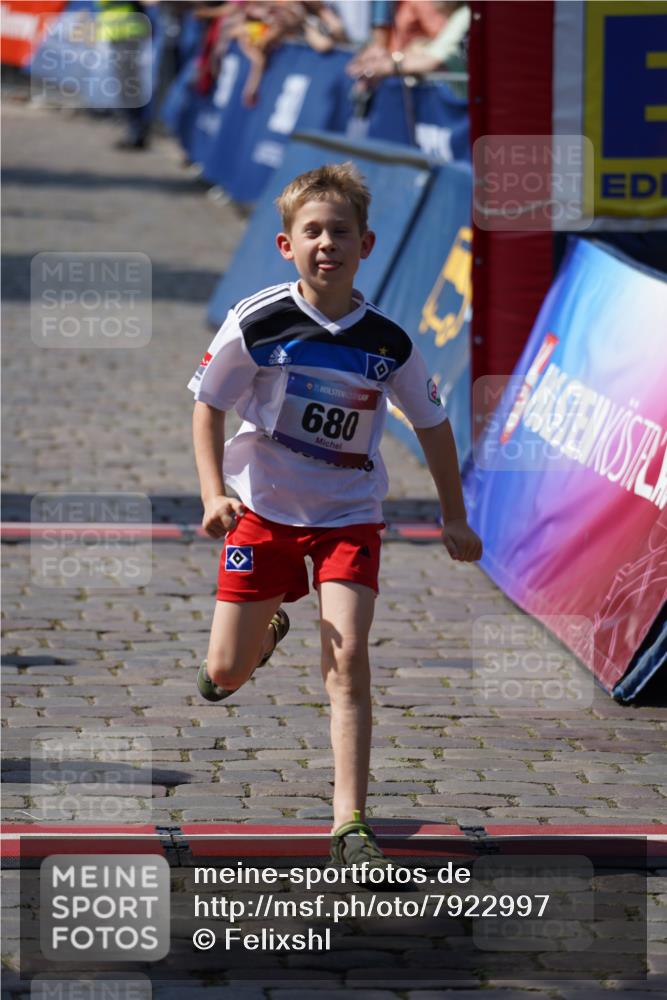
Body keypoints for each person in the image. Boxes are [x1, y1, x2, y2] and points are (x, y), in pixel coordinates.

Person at [188, 162, 482, 873]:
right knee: (223, 674)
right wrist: (211, 494)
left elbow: (434, 425)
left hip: (350, 515)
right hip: (262, 512)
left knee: (348, 662)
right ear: (286, 244)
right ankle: (261, 633)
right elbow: (208, 404)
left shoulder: (388, 343)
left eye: (340, 232)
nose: (327, 243)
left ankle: (349, 819)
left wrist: (453, 515)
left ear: (367, 244)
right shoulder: (258, 321)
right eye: (312, 231)